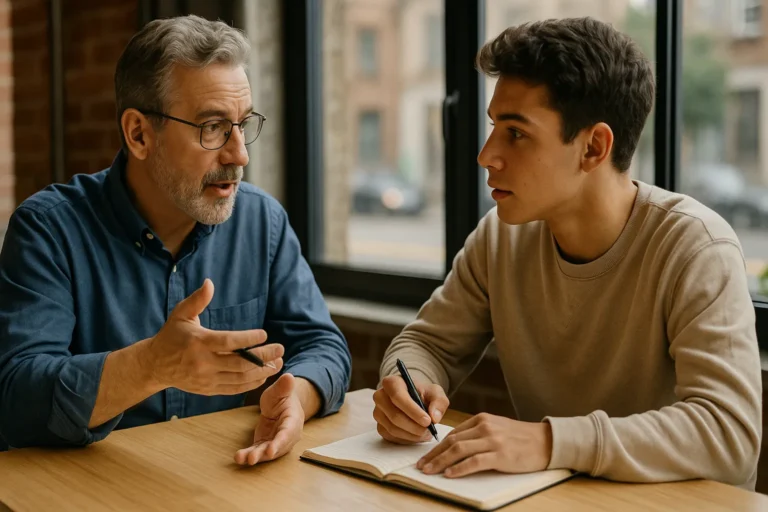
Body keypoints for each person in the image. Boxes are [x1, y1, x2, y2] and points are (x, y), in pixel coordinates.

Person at [373, 17, 762, 489]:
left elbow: (729, 436)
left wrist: (550, 443)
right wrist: (409, 387)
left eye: (515, 133)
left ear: (594, 148)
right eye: (494, 126)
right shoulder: (500, 237)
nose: (486, 155)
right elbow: (427, 344)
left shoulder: (696, 246)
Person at [0, 15, 351, 466]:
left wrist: (296, 394)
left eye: (243, 124)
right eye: (212, 127)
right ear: (139, 134)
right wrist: (151, 365)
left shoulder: (262, 222)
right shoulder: (48, 231)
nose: (239, 153)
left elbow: (324, 347)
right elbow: (14, 398)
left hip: (215, 485)